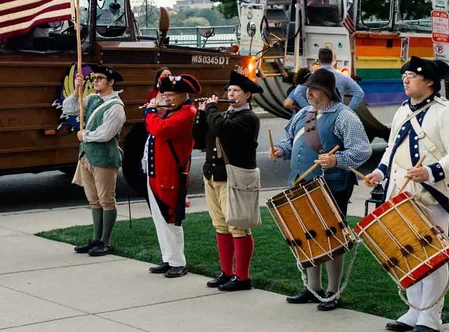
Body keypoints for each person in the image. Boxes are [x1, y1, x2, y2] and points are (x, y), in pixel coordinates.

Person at [364, 57, 449, 332]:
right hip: (399, 194)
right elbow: (391, 147)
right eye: (405, 76)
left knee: (433, 257)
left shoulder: (448, 112)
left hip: (433, 194)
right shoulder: (401, 111)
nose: (406, 80)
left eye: (412, 76)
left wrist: (432, 171)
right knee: (407, 255)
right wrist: (380, 173)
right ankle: (414, 312)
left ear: (430, 82)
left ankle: (431, 317)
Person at [271, 69, 371, 311]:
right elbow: (289, 138)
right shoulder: (303, 113)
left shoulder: (344, 116)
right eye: (308, 88)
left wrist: (337, 160)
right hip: (301, 184)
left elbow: (362, 150)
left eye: (313, 89)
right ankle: (312, 288)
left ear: (326, 91)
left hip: (332, 185)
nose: (308, 92)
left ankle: (332, 290)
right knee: (307, 234)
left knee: (332, 237)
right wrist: (281, 150)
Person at [194, 71, 263, 292]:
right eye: (229, 90)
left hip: (235, 177)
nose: (230, 94)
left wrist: (212, 109)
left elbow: (223, 131)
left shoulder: (248, 118)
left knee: (238, 226)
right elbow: (199, 139)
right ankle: (226, 272)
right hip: (214, 175)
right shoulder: (224, 115)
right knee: (221, 225)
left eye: (235, 91)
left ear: (248, 95)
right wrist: (201, 114)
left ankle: (243, 277)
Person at [63, 64, 126, 257]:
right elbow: (70, 108)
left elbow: (106, 133)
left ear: (111, 82)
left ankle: (105, 241)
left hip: (104, 158)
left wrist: (85, 136)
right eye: (94, 79)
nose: (95, 81)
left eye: (99, 79)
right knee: (94, 200)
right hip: (87, 156)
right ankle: (96, 239)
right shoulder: (92, 99)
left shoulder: (116, 107)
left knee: (106, 200)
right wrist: (76, 90)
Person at [144, 74, 201, 278]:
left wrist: (151, 112)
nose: (166, 99)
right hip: (156, 172)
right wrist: (157, 112)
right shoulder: (171, 111)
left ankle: (178, 261)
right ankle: (168, 257)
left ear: (182, 95)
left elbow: (161, 129)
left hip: (170, 174)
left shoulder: (187, 113)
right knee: (159, 218)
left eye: (170, 95)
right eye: (164, 94)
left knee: (170, 218)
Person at [288, 48, 364, 110]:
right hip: (337, 113)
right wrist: (348, 110)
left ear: (319, 60)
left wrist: (309, 109)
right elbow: (359, 93)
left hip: (319, 114)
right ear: (332, 60)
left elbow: (297, 93)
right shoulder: (343, 76)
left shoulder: (312, 76)